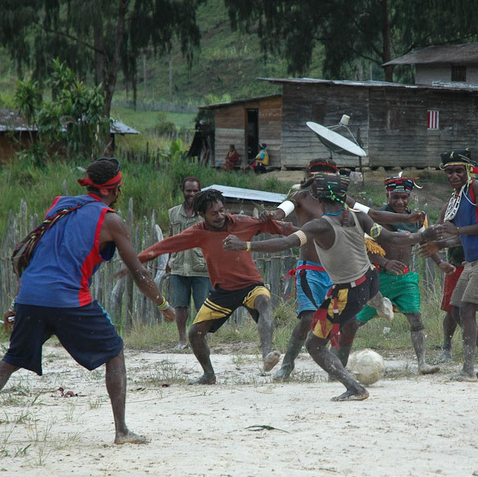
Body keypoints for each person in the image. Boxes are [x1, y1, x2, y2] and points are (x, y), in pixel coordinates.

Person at [0, 157, 175, 445]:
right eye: (119, 188)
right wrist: (163, 304)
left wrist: (18, 303)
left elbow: (39, 255)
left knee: (11, 360)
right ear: (110, 190)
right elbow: (139, 273)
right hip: (69, 299)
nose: (119, 192)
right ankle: (122, 431)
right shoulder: (111, 220)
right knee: (115, 351)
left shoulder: (59, 205)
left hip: (30, 296)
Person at [223, 172, 428, 401]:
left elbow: (285, 243)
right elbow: (391, 238)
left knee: (314, 344)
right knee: (353, 304)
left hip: (348, 292)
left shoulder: (319, 225)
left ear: (318, 200)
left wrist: (245, 245)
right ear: (344, 198)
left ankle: (354, 387)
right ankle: (380, 302)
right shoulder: (359, 216)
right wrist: (424, 234)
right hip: (371, 281)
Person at [258, 158, 419, 381]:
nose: (320, 179)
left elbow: (373, 214)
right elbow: (280, 212)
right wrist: (271, 216)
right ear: (309, 176)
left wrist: (406, 217)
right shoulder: (300, 198)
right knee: (307, 319)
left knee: (351, 322)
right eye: (317, 175)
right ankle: (287, 364)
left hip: (341, 274)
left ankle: (338, 369)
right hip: (311, 270)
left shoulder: (341, 199)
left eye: (326, 175)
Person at [128, 189, 295, 384]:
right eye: (214, 213)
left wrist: (277, 219)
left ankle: (267, 353)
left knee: (264, 301)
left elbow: (280, 227)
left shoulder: (241, 222)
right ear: (202, 215)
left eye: (222, 210)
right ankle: (209, 374)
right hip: (223, 291)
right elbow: (166, 245)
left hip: (251, 285)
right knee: (195, 334)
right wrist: (135, 262)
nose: (220, 216)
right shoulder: (198, 232)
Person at [338, 176, 440, 375]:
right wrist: (385, 262)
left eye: (404, 197)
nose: (400, 202)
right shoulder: (377, 217)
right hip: (378, 277)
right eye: (395, 197)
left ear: (410, 196)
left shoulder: (417, 218)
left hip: (405, 279)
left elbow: (425, 243)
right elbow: (365, 247)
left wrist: (442, 263)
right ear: (387, 195)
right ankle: (339, 364)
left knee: (416, 319)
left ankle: (422, 363)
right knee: (355, 321)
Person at [426, 149, 478, 382]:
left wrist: (457, 231)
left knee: (468, 310)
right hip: (472, 260)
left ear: (468, 171)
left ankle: (469, 369)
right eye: (449, 171)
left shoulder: (476, 188)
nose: (453, 175)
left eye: (458, 171)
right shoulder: (456, 198)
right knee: (457, 309)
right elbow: (461, 237)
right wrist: (438, 246)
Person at [167, 177, 212, 350]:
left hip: (200, 266)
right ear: (183, 191)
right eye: (188, 191)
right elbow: (171, 239)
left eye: (195, 191)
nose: (191, 194)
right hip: (178, 265)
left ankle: (201, 340)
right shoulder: (173, 213)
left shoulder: (205, 214)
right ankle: (182, 340)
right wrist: (168, 262)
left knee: (202, 307)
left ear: (200, 191)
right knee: (180, 306)